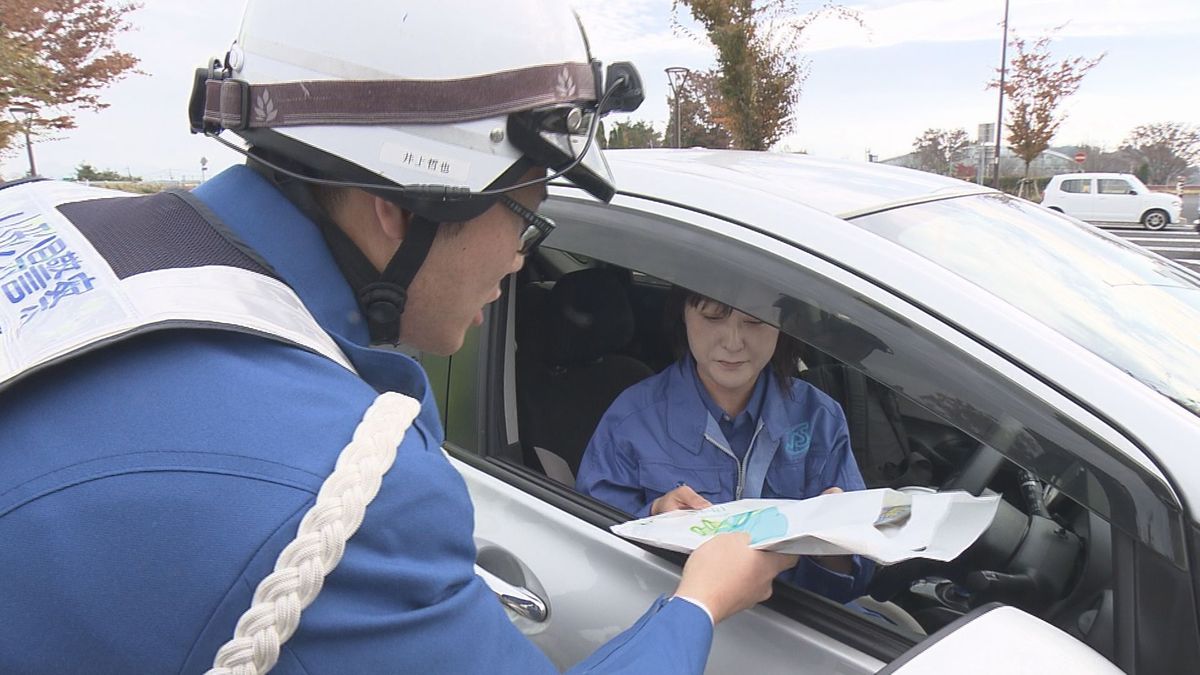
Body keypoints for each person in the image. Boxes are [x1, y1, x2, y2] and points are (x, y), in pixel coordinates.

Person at [0, 3, 798, 674]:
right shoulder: (343, 490)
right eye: (525, 214)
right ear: (408, 205)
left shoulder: (47, 228)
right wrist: (701, 600)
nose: (524, 256)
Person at [576, 288, 874, 604]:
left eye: (756, 321)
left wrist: (835, 541)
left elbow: (856, 577)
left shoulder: (819, 418)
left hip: (798, 632)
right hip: (675, 614)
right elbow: (589, 549)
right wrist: (652, 515)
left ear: (783, 324)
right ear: (683, 314)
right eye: (712, 317)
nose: (733, 342)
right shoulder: (632, 421)